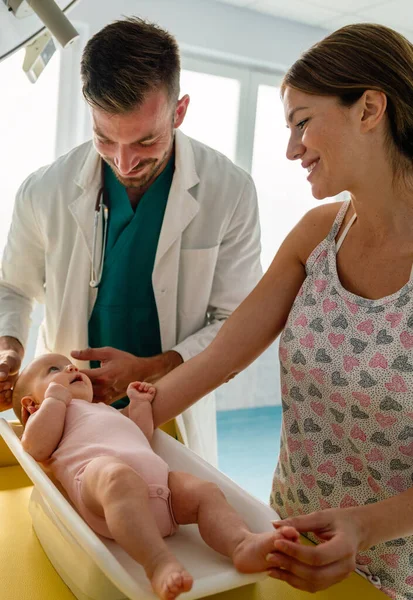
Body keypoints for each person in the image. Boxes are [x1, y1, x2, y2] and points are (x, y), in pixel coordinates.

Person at [141, 23, 413, 600]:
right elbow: (221, 357)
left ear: (369, 108)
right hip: (288, 544)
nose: (292, 149)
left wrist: (365, 526)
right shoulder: (318, 235)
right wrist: (119, 422)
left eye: (302, 122)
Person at [0, 17, 262, 464]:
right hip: (65, 418)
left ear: (178, 112)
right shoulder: (44, 189)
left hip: (171, 411)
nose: (124, 162)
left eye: (146, 141)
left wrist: (158, 367)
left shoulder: (229, 191)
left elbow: (239, 319)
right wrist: (9, 346)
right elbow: (13, 288)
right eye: (105, 138)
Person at [12, 353, 299, 600]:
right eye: (54, 370)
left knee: (204, 492)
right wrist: (53, 401)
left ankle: (240, 543)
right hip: (103, 491)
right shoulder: (51, 416)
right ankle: (158, 563)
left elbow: (140, 435)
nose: (71, 369)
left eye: (69, 364)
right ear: (31, 405)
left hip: (159, 487)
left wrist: (138, 405)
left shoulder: (103, 410)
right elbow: (34, 446)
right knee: (118, 477)